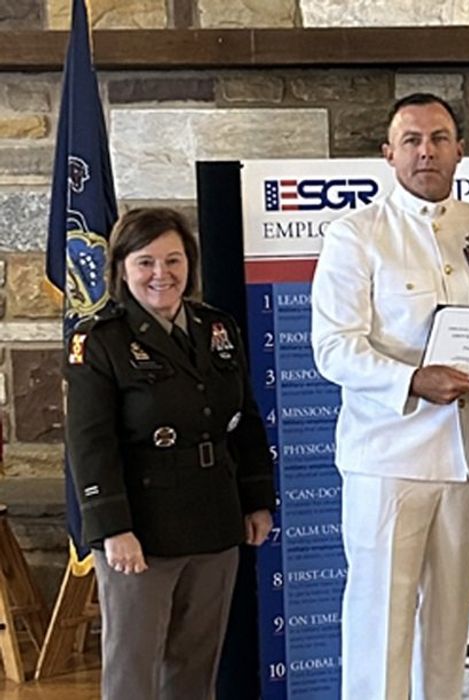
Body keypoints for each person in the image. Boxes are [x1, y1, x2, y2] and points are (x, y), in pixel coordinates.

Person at [310, 93, 469, 700]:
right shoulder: (357, 235)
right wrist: (413, 379)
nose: (427, 150)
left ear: (460, 149)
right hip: (387, 458)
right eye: (413, 140)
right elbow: (333, 348)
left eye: (440, 138)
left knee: (451, 622)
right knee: (382, 619)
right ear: (388, 153)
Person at [65, 207, 274, 700]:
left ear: (189, 263)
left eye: (173, 260)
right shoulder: (99, 341)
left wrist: (257, 499)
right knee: (134, 669)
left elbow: (243, 420)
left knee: (195, 666)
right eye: (146, 262)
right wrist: (113, 528)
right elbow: (90, 443)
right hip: (142, 529)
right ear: (121, 268)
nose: (162, 274)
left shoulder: (215, 328)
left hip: (215, 520)